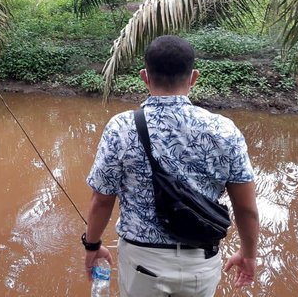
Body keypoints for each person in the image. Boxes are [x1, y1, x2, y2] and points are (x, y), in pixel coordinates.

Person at [82, 35, 260, 296]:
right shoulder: (224, 130)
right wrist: (249, 255)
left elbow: (101, 200)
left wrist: (92, 245)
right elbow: (246, 210)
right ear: (193, 77)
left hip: (142, 263)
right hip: (200, 263)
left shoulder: (121, 127)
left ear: (145, 76)